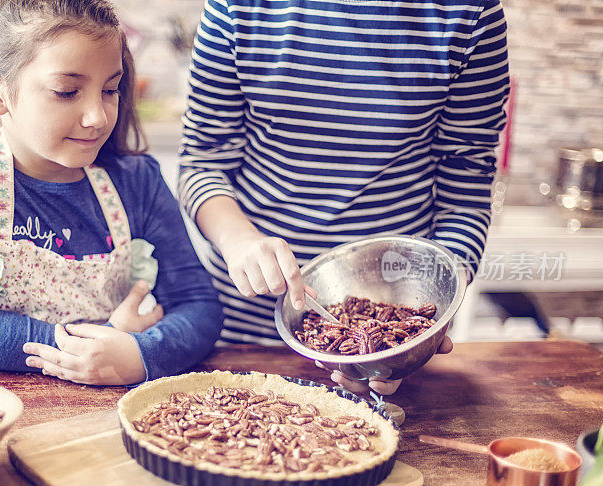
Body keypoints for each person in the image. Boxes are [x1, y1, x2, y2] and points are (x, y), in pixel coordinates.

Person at [178, 0, 509, 394]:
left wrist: (428, 317)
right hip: (243, 330)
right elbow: (201, 163)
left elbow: (466, 190)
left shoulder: (471, 14)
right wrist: (239, 241)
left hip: (397, 329)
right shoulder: (238, 7)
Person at [0, 0, 223, 386]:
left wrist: (140, 354)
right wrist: (108, 338)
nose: (98, 116)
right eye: (66, 91)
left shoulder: (136, 180)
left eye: (110, 89)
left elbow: (199, 307)